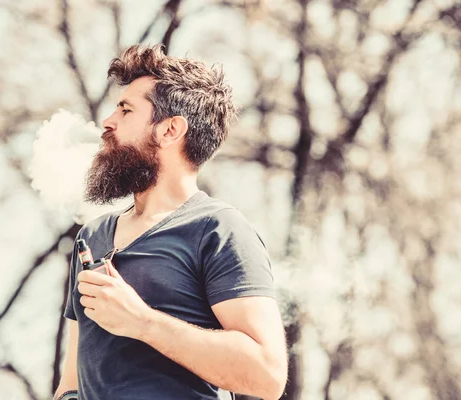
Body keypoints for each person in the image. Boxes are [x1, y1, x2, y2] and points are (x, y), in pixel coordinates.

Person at [53, 44, 288, 400]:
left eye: (126, 110)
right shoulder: (93, 236)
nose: (107, 122)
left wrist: (142, 322)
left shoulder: (218, 229)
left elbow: (267, 375)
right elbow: (72, 382)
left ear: (169, 131)